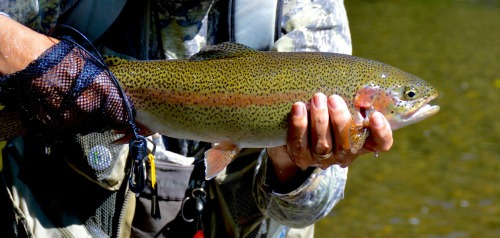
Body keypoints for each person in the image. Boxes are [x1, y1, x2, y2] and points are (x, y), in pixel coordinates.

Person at [0, 1, 393, 237]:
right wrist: (47, 66)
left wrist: (293, 166)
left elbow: (310, 207)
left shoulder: (304, 9)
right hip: (65, 216)